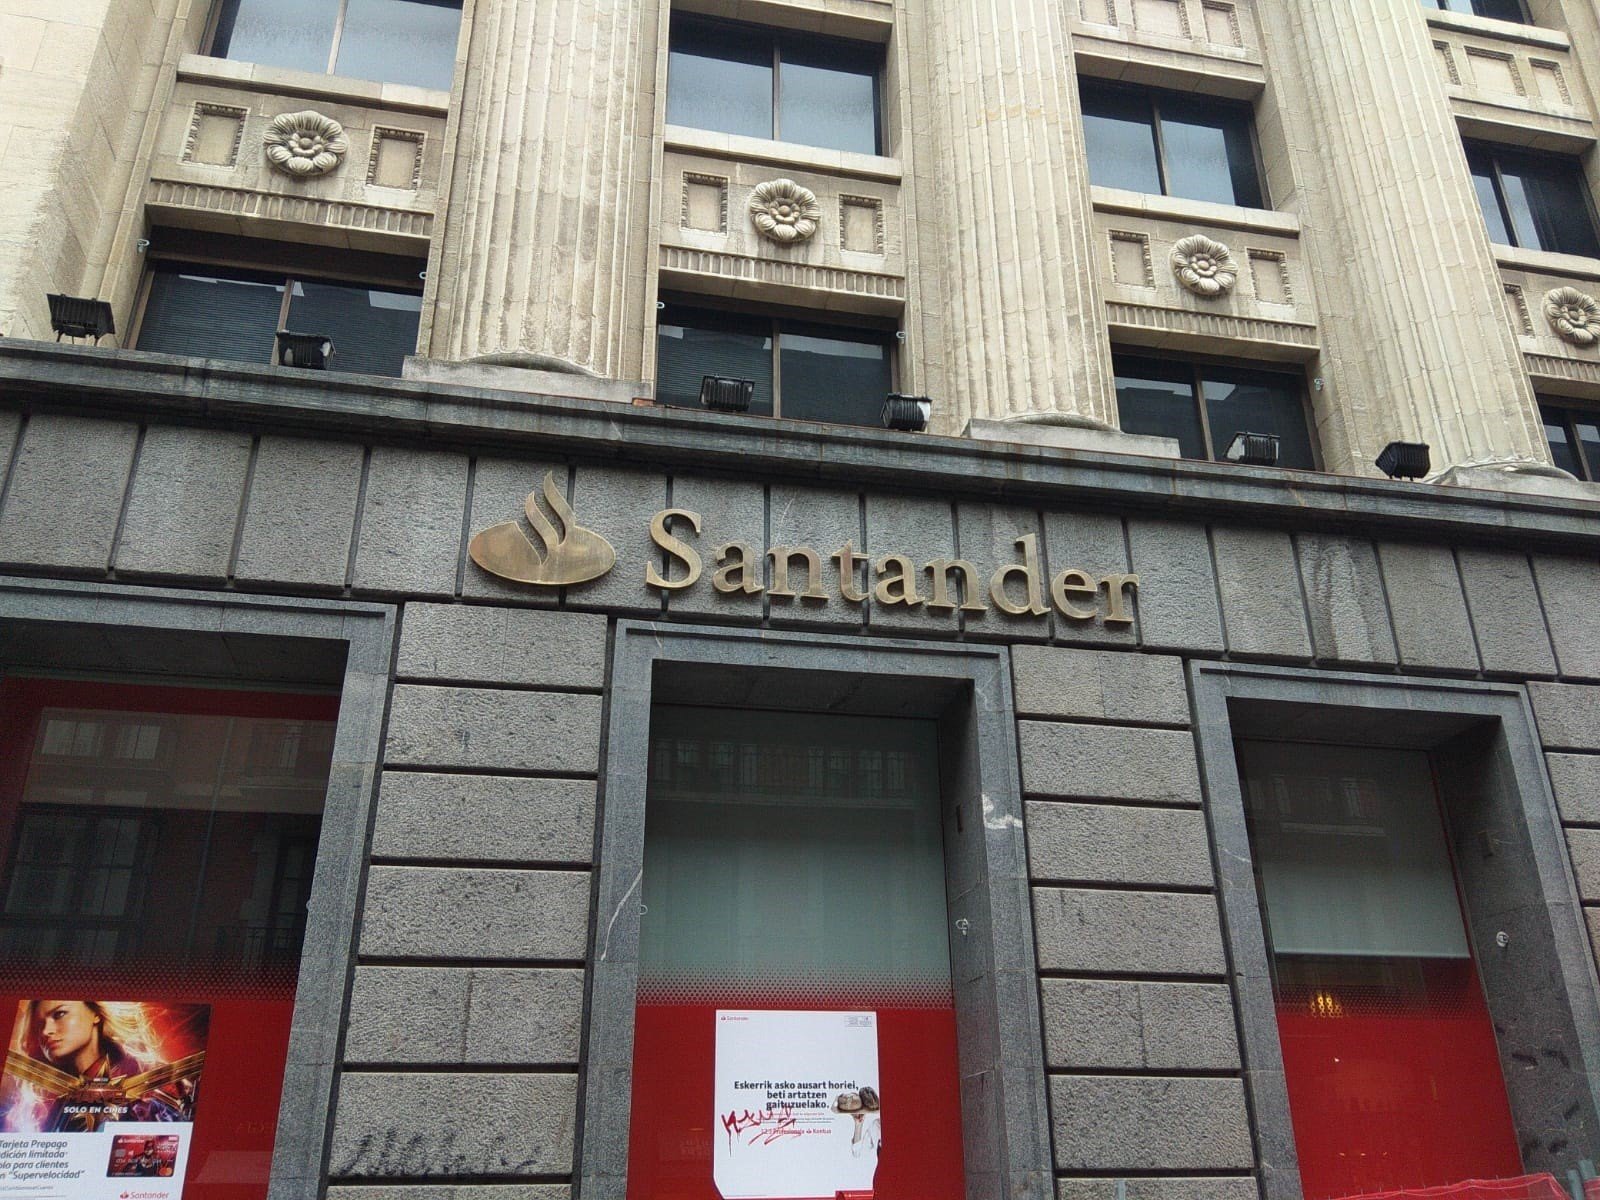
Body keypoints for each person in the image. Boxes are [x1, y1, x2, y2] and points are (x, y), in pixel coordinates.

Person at [8, 1000, 193, 1132]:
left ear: (95, 1014)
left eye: (60, 1014)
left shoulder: (150, 1083)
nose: (46, 1031)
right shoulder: (51, 1107)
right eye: (39, 1024)